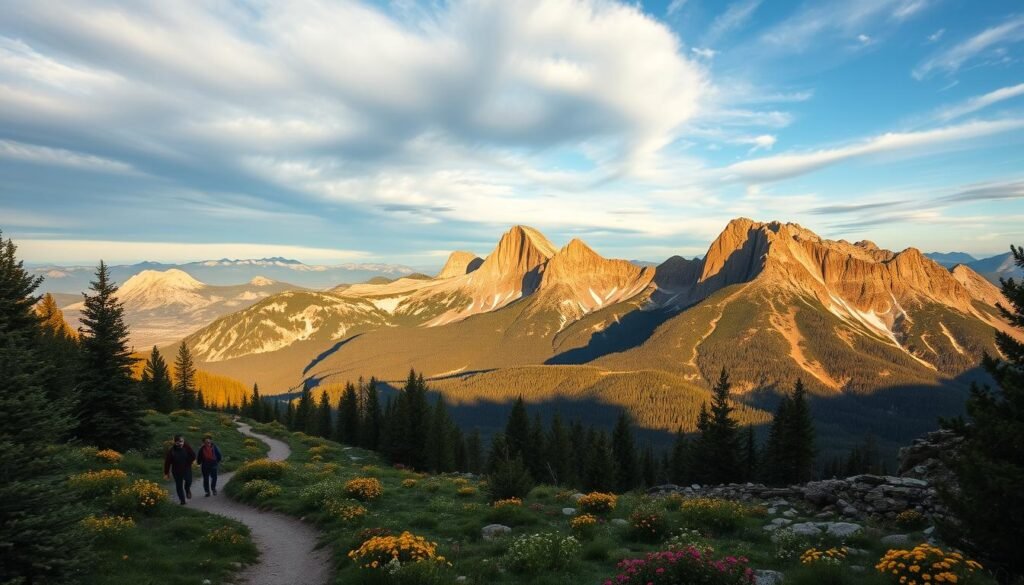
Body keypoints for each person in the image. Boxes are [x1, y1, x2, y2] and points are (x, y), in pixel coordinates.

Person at [163, 434, 195, 505]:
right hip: (176, 471)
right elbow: (167, 462)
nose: (180, 443)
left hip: (186, 469)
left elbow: (193, 456)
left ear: (183, 441)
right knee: (179, 485)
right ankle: (182, 500)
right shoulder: (172, 451)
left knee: (189, 481)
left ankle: (187, 489)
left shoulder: (187, 447)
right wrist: (166, 473)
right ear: (175, 442)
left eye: (181, 441)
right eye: (178, 442)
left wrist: (188, 462)